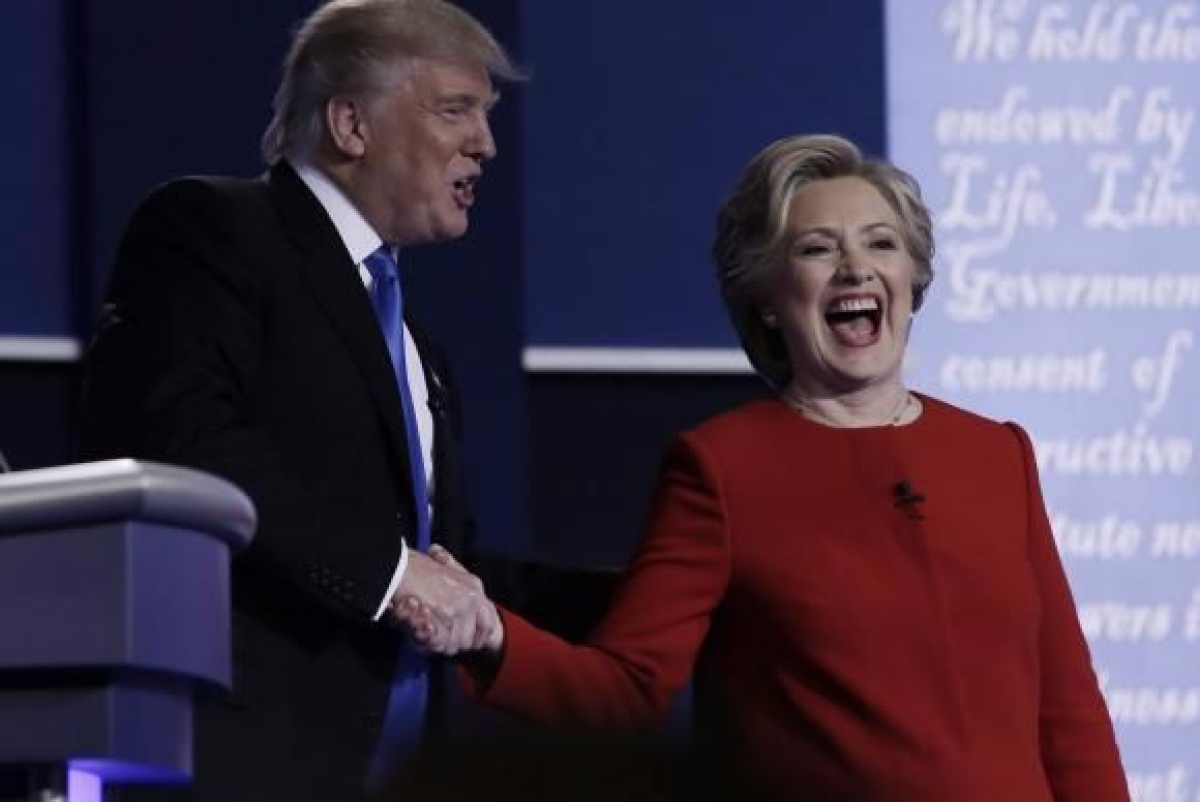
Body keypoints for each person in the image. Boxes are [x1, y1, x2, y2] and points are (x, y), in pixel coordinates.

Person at [413, 134, 1131, 801]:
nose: (856, 267)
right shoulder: (722, 468)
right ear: (766, 299)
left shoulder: (997, 453)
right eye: (818, 249)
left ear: (912, 279)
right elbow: (628, 689)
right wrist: (490, 635)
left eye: (881, 243)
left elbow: (1067, 709)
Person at [78, 1, 520, 799]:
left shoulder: (411, 335)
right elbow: (184, 440)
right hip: (248, 763)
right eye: (457, 110)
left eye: (484, 118)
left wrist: (658, 593)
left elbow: (453, 569)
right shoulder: (211, 230)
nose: (485, 143)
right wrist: (390, 574)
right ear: (351, 123)